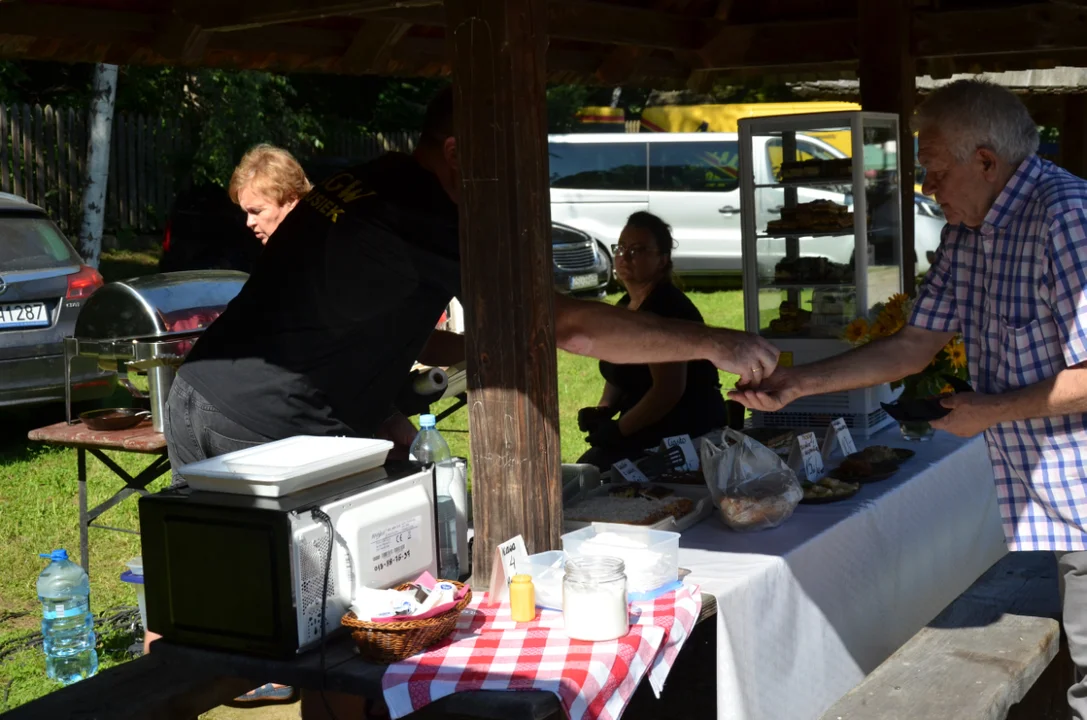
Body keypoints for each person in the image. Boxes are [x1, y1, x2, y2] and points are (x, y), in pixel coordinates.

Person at [163, 88, 777, 717]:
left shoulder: (370, 183)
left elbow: (358, 320)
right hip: (271, 426)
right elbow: (565, 324)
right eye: (504, 167)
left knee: (218, 613)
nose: (511, 188)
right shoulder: (425, 211)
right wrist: (713, 343)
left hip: (201, 395)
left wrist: (406, 403)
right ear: (458, 153)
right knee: (345, 620)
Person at [730, 79, 1087, 717]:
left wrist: (991, 410)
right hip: (1064, 507)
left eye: (936, 170)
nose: (926, 186)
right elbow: (912, 346)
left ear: (986, 161)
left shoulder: (1066, 218)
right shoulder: (969, 232)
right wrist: (797, 382)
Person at [577, 211, 728, 469]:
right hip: (645, 422)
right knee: (586, 472)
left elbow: (667, 391)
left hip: (682, 429)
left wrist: (618, 430)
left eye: (638, 250)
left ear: (662, 259)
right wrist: (604, 410)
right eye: (621, 248)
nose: (625, 256)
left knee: (590, 472)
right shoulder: (626, 305)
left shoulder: (665, 309)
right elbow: (617, 368)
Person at [229, 143, 312, 244]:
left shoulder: (323, 245)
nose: (249, 223)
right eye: (247, 213)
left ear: (291, 200)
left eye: (256, 211)